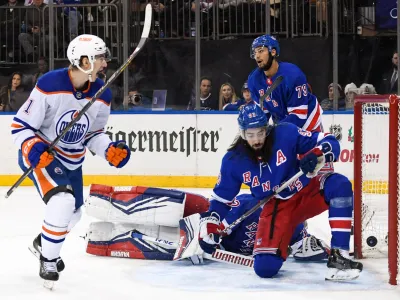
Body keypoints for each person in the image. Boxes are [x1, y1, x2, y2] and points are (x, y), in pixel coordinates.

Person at [10, 34, 131, 284]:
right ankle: (49, 260)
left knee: (73, 214)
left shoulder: (102, 93)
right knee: (63, 201)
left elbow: (93, 133)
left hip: (72, 161)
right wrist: (32, 148)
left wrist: (108, 148)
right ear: (84, 60)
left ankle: (42, 243)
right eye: (99, 58)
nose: (104, 64)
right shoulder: (49, 84)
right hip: (44, 155)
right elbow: (20, 126)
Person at [196, 102, 362, 281]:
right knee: (265, 268)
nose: (257, 139)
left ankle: (340, 256)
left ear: (266, 128)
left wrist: (318, 154)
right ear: (242, 133)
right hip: (277, 208)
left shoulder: (286, 133)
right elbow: (221, 200)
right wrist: (210, 225)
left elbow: (329, 140)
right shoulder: (233, 160)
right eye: (250, 135)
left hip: (307, 191)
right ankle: (295, 236)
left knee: (339, 185)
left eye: (260, 132)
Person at [84, 184, 329, 262]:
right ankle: (109, 200)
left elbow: (311, 250)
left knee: (173, 246)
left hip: (208, 248)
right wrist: (212, 229)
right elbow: (230, 207)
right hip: (205, 220)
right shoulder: (265, 204)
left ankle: (103, 241)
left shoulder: (293, 238)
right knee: (199, 203)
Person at [247, 35, 323, 132]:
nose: (257, 56)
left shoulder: (293, 75)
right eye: (255, 52)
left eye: (261, 51)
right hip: (281, 121)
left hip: (308, 122)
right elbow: (262, 113)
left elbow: (299, 115)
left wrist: (276, 132)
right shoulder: (254, 80)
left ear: (273, 52)